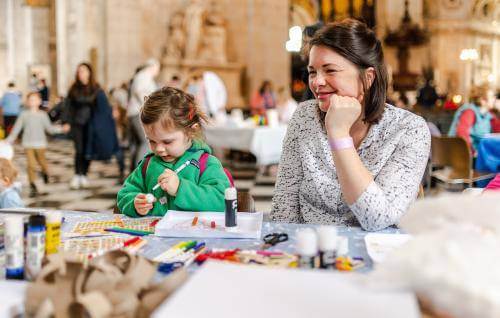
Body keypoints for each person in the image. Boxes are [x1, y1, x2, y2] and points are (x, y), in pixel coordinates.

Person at [271, 19, 431, 231]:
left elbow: (377, 219)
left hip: (377, 256)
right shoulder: (305, 116)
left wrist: (338, 134)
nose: (317, 82)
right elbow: (284, 210)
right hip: (310, 252)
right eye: (312, 72)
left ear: (367, 77)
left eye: (330, 70)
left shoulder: (410, 130)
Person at [117, 87, 230, 217]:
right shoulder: (147, 165)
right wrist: (134, 203)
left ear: (191, 131)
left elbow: (222, 201)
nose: (158, 149)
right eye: (152, 141)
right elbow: (125, 194)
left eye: (167, 142)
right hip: (150, 235)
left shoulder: (207, 164)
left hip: (195, 235)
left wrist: (180, 188)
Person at [63, 62, 124, 189]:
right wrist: (66, 121)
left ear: (89, 72)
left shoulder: (96, 88)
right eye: (79, 71)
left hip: (91, 125)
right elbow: (68, 107)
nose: (81, 74)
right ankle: (77, 175)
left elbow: (103, 105)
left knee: (87, 151)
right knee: (79, 150)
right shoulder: (73, 89)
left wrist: (112, 111)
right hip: (77, 123)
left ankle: (84, 174)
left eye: (84, 71)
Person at [6, 92, 65, 197]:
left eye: (35, 99)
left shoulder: (42, 115)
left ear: (39, 101)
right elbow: (16, 129)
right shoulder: (24, 115)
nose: (32, 102)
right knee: (31, 165)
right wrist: (9, 140)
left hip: (41, 144)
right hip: (28, 144)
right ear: (28, 102)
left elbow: (50, 129)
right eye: (30, 100)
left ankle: (45, 172)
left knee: (42, 163)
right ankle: (32, 184)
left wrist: (61, 129)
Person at [127, 59, 160, 171]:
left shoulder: (142, 76)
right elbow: (139, 92)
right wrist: (150, 108)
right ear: (153, 67)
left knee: (137, 144)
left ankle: (133, 171)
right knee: (146, 141)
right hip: (139, 112)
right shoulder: (144, 76)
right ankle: (140, 170)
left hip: (135, 112)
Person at [448, 85, 494, 154]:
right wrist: (473, 152)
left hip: (479, 153)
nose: (495, 99)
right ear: (483, 101)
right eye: (492, 97)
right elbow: (462, 134)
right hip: (462, 155)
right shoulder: (469, 112)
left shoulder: (487, 115)